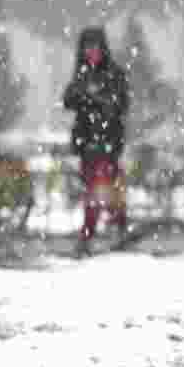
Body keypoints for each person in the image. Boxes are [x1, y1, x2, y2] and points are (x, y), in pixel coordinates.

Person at [63, 26, 130, 258]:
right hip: (87, 144)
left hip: (107, 142)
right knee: (103, 189)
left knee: (98, 189)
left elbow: (120, 104)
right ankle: (119, 224)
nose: (91, 51)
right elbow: (69, 99)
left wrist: (98, 99)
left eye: (95, 46)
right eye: (87, 47)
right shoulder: (81, 74)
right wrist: (85, 95)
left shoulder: (113, 74)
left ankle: (87, 234)